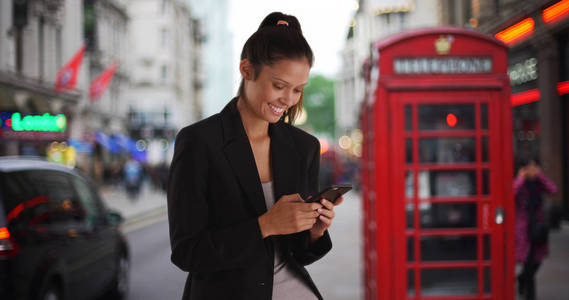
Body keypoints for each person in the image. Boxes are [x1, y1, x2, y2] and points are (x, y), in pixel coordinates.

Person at [167, 12, 343, 300]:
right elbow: (187, 252)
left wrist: (315, 231)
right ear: (246, 69)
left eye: (298, 90)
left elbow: (298, 254)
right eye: (279, 86)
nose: (288, 101)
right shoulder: (199, 142)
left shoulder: (304, 147)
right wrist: (266, 225)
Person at [514, 157, 557, 300]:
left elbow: (553, 189)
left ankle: (521, 279)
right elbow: (510, 194)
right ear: (524, 169)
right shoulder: (519, 183)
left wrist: (541, 176)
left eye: (535, 167)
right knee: (528, 261)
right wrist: (520, 178)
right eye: (530, 167)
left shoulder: (539, 182)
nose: (533, 170)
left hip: (538, 226)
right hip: (523, 228)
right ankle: (530, 296)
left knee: (537, 261)